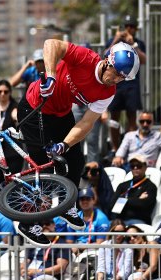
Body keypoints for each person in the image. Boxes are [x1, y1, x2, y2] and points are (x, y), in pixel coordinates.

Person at [16, 38, 140, 247]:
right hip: (35, 107)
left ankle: (67, 205)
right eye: (118, 73)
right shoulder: (86, 59)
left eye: (123, 78)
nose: (117, 80)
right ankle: (29, 222)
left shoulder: (108, 93)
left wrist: (64, 144)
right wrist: (51, 76)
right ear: (108, 62)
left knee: (75, 162)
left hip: (61, 114)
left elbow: (87, 122)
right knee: (43, 169)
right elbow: (50, 44)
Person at [104, 15, 146, 157]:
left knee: (131, 117)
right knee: (114, 117)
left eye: (132, 27)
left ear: (135, 29)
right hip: (116, 85)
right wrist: (116, 40)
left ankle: (130, 149)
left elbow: (144, 60)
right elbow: (105, 55)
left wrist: (133, 44)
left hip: (131, 84)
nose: (129, 29)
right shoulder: (114, 42)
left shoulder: (138, 42)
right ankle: (116, 149)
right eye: (127, 26)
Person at [0, 79, 24, 199]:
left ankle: (14, 214)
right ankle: (0, 213)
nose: (2, 94)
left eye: (5, 92)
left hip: (12, 154)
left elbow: (17, 119)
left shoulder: (14, 107)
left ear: (10, 93)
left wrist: (16, 117)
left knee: (13, 187)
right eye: (0, 91)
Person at [110, 154, 157, 225]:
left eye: (138, 166)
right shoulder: (122, 185)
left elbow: (144, 205)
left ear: (145, 167)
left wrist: (123, 199)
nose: (135, 168)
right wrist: (137, 199)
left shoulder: (150, 186)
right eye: (132, 166)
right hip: (119, 220)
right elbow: (112, 204)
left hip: (138, 220)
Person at [66, 188, 110, 255]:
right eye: (82, 199)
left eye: (88, 199)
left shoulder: (101, 218)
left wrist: (82, 247)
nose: (85, 201)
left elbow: (100, 243)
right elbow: (69, 241)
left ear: (93, 200)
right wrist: (73, 248)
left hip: (94, 251)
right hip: (76, 250)